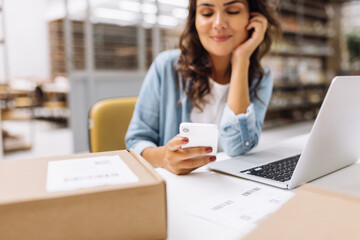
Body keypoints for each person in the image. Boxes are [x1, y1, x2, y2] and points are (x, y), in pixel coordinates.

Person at [126, 0, 281, 175]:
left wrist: (241, 61)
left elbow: (237, 146)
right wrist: (163, 157)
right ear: (195, 21)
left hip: (234, 185)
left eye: (232, 11)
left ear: (252, 18)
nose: (219, 24)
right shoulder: (166, 66)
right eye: (207, 13)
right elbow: (136, 140)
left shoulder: (261, 78)